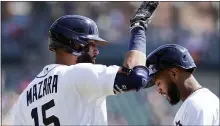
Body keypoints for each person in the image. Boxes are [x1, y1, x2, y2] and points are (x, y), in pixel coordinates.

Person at [11, 1, 159, 125]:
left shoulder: (25, 95)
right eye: (92, 45)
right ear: (75, 45)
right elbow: (136, 78)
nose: (96, 51)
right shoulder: (77, 73)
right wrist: (138, 27)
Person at [145, 44, 219, 125]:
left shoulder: (197, 104)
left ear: (174, 73)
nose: (158, 90)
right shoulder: (196, 102)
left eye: (158, 83)